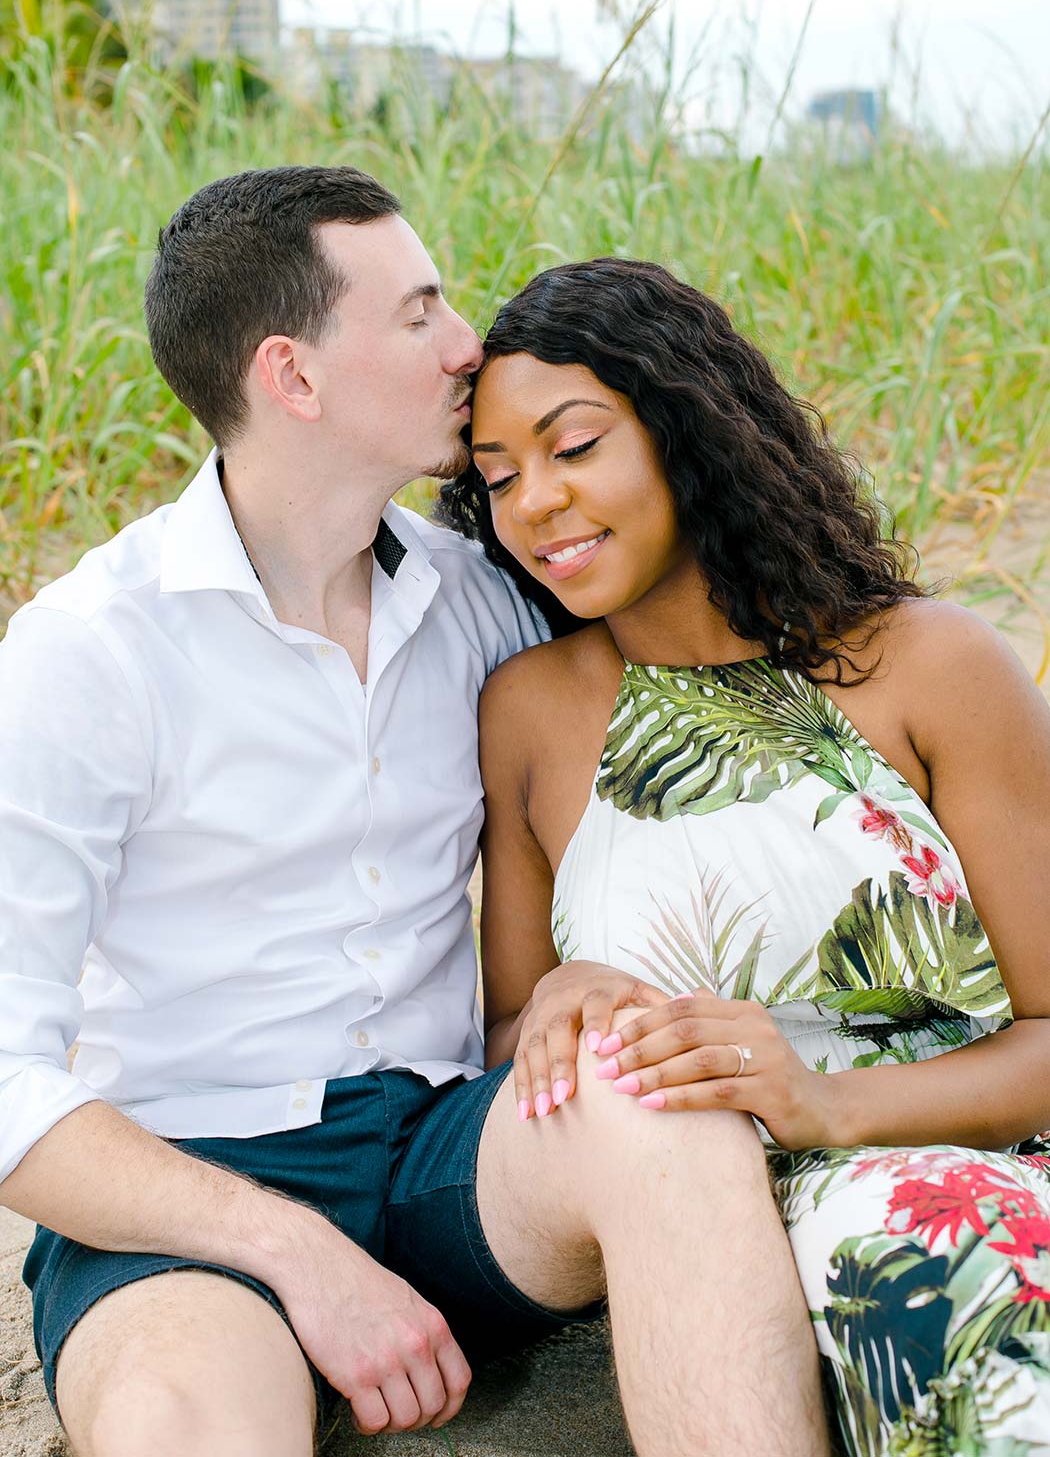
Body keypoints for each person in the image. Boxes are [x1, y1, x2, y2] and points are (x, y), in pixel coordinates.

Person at [0, 169, 830, 1457]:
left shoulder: (483, 598)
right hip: (197, 1192)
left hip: (454, 1147)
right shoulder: (89, 654)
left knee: (660, 1108)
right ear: (295, 375)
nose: (468, 347)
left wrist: (565, 989)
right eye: (421, 312)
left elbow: (719, 646)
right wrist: (299, 1254)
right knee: (183, 1423)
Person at [437, 255, 1050, 1454]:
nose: (536, 503)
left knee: (954, 1261)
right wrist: (563, 993)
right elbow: (514, 1042)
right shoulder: (531, 713)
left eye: (574, 447)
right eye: (498, 478)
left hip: (975, 1166)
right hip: (726, 1219)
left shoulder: (931, 667)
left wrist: (826, 1103)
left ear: (687, 431)